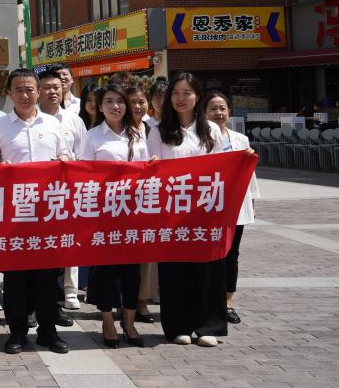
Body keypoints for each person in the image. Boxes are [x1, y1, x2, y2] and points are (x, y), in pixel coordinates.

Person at [0, 68, 71, 356]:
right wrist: (0, 169)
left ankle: (48, 331)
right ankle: (17, 332)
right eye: (19, 90)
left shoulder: (53, 124)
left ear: (39, 91)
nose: (25, 95)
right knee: (16, 278)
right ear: (9, 93)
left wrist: (63, 160)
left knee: (48, 277)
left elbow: (66, 157)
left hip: (48, 213)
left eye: (30, 89)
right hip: (14, 215)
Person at [147, 71, 229, 348]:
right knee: (175, 271)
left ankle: (208, 325)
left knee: (207, 269)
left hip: (204, 211)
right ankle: (177, 325)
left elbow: (221, 167)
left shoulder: (211, 130)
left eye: (187, 93)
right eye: (175, 93)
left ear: (197, 96)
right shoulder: (159, 131)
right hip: (171, 211)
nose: (180, 98)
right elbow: (151, 168)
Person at [79, 84, 147, 349]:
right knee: (106, 271)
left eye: (120, 101)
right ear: (100, 106)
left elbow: (147, 171)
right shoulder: (92, 136)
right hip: (104, 214)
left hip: (133, 213)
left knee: (132, 271)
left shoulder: (138, 134)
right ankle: (107, 320)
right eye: (108, 101)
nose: (115, 106)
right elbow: (83, 174)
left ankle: (129, 321)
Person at [204, 90, 260, 325]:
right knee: (210, 254)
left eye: (222, 108)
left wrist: (252, 200)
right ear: (204, 113)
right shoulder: (200, 138)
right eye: (213, 109)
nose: (218, 113)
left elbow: (249, 173)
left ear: (229, 111)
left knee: (231, 254)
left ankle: (227, 302)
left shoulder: (240, 140)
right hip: (209, 205)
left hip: (237, 205)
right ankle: (208, 300)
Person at [38, 68, 87, 314]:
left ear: (64, 88)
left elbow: (84, 155)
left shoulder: (74, 120)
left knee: (68, 241)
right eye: (47, 87)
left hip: (68, 190)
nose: (52, 92)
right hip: (36, 194)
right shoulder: (32, 119)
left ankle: (70, 290)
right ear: (39, 91)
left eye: (56, 87)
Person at [122, 81, 160, 323]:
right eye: (132, 102)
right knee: (124, 256)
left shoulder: (153, 129)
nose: (137, 106)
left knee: (146, 256)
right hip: (120, 203)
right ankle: (122, 302)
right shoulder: (118, 129)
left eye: (141, 102)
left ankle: (142, 303)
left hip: (147, 200)